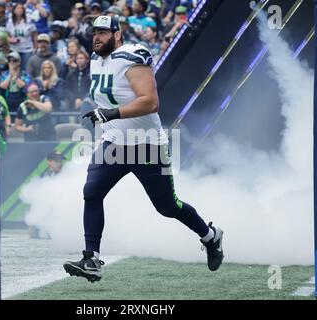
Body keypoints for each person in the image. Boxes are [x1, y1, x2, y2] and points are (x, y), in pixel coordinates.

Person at [63, 15, 224, 282]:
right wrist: (106, 116)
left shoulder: (132, 55)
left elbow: (150, 102)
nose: (97, 37)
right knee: (91, 192)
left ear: (117, 34)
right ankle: (91, 258)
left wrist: (111, 113)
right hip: (114, 143)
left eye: (103, 32)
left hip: (146, 145)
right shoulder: (95, 59)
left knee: (167, 207)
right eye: (94, 32)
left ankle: (210, 237)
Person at [6, 2, 38, 71]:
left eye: (21, 8)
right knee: (14, 68)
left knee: (26, 69)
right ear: (14, 10)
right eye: (18, 8)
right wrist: (10, 40)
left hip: (27, 49)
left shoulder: (29, 21)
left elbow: (34, 35)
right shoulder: (10, 22)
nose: (20, 10)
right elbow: (7, 36)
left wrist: (35, 48)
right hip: (14, 49)